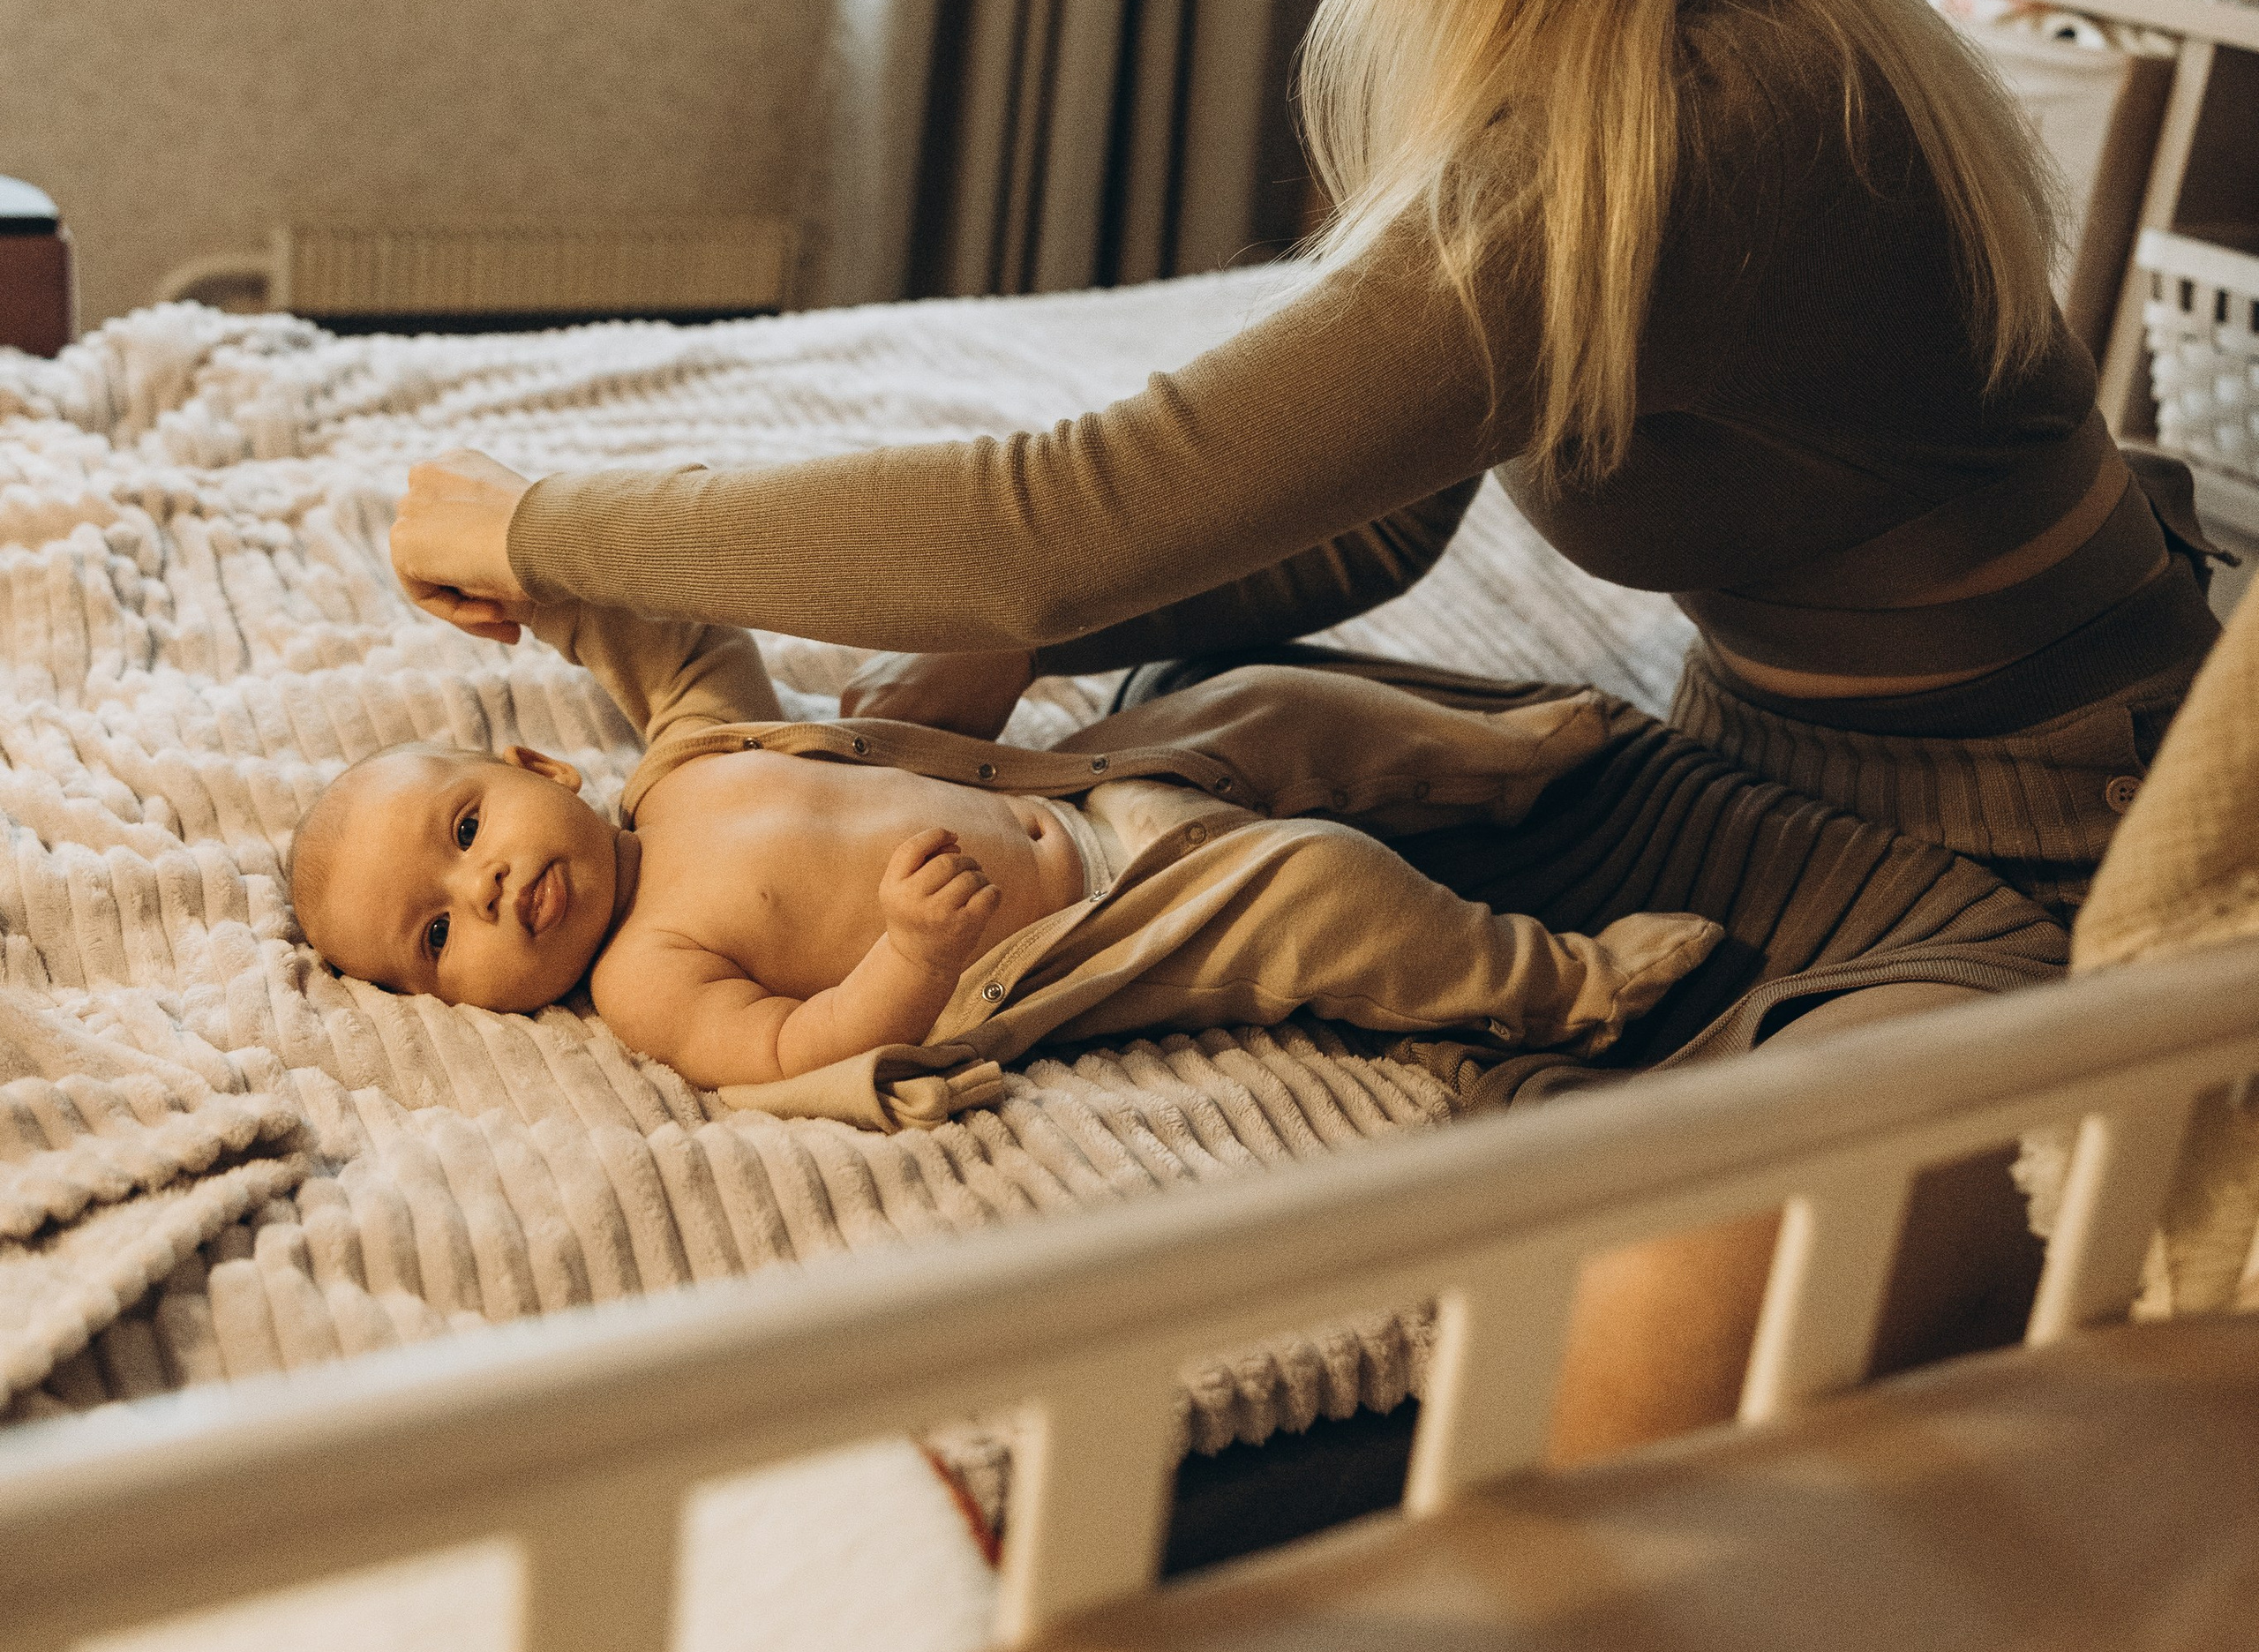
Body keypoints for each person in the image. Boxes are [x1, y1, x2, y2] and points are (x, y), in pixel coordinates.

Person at [387, 0, 2214, 1429]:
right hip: (1750, 771)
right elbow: (1371, 523)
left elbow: (1064, 503)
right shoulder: (1551, 46)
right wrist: (1006, 652)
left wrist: (547, 529)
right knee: (1194, 788)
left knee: (1643, 1324)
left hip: (2043, 849)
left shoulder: (1702, 110)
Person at [289, 598, 1717, 1106]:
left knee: (1272, 709)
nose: (482, 890)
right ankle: (1557, 982)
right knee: (1318, 885)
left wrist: (541, 575)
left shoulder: (687, 762)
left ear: (540, 767)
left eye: (467, 831)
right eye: (437, 937)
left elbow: (681, 634)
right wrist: (911, 954)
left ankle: (1500, 765)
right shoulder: (645, 980)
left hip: (1091, 773)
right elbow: (796, 1051)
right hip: (1120, 918)